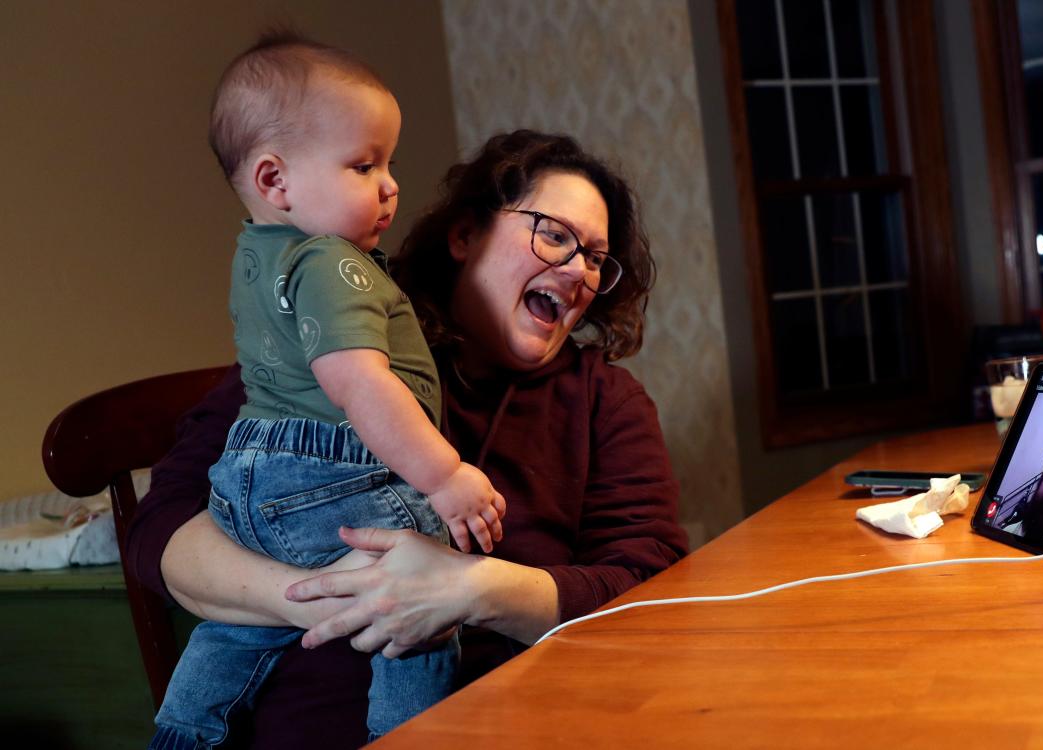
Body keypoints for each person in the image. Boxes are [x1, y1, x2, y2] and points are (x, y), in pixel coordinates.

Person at [126, 128, 689, 748]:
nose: (579, 269)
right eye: (554, 234)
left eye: (595, 258)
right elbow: (161, 529)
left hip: (521, 723)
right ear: (464, 235)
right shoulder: (333, 343)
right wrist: (323, 598)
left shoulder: (603, 402)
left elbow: (649, 588)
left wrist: (471, 588)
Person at [151, 32, 508, 748]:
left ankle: (184, 731)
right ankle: (414, 731)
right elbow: (358, 385)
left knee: (235, 625)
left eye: (389, 162)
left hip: (247, 475)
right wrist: (445, 478)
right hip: (328, 467)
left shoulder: (256, 254)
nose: (390, 185)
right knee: (423, 576)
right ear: (275, 181)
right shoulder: (330, 263)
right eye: (362, 163)